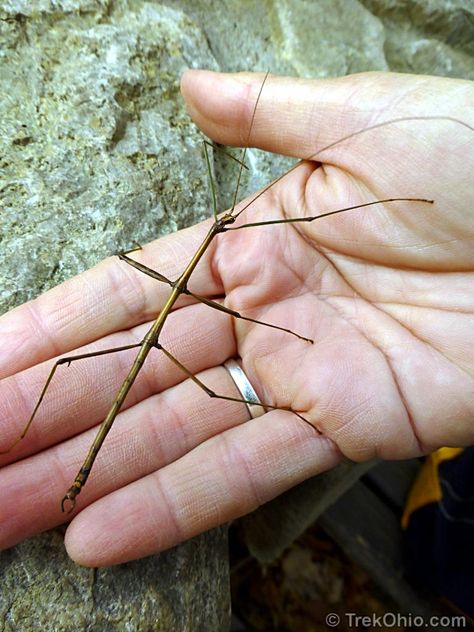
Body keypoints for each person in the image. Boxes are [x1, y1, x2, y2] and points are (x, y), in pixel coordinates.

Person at [0, 70, 472, 568]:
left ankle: (61, 466)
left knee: (63, 369)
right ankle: (43, 451)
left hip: (151, 351)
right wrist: (283, 329)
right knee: (60, 367)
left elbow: (300, 222)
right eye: (222, 225)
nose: (225, 223)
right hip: (145, 352)